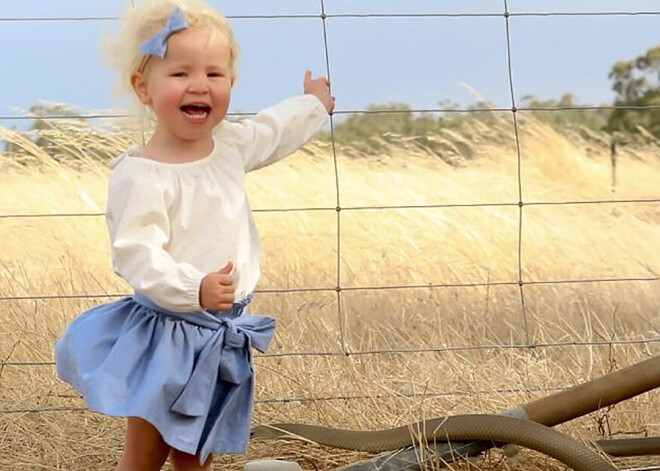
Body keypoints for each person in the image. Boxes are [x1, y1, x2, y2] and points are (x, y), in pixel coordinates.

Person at [55, 0, 334, 470]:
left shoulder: (228, 147)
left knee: (197, 453)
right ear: (143, 88)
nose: (200, 85)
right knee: (145, 453)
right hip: (167, 333)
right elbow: (136, 254)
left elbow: (272, 131)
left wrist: (313, 105)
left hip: (220, 334)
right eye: (180, 73)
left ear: (231, 83)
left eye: (214, 74)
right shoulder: (142, 175)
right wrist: (194, 288)